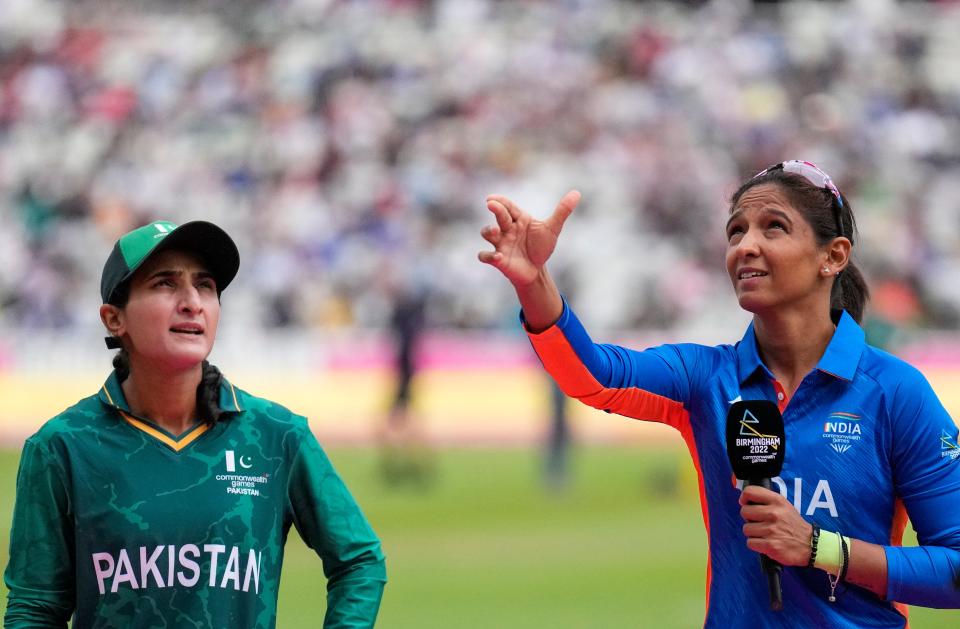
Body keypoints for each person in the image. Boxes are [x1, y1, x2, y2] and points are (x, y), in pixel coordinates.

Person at [478, 161, 960, 627]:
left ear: (832, 256)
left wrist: (820, 548)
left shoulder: (895, 393)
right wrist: (533, 281)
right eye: (736, 231)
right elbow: (595, 375)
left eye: (773, 227)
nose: (745, 246)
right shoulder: (706, 378)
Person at [4, 220, 386, 628]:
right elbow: (35, 608)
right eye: (165, 284)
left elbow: (359, 561)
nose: (192, 302)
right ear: (114, 319)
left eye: (204, 286)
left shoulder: (277, 435)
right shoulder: (62, 447)